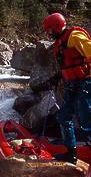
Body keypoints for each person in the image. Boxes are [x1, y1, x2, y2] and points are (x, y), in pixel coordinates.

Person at [42, 13, 91, 164]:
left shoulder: (74, 36)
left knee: (86, 119)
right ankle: (71, 153)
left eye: (50, 30)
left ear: (56, 26)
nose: (49, 34)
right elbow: (67, 64)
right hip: (72, 83)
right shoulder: (60, 42)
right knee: (63, 117)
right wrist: (58, 76)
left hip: (85, 82)